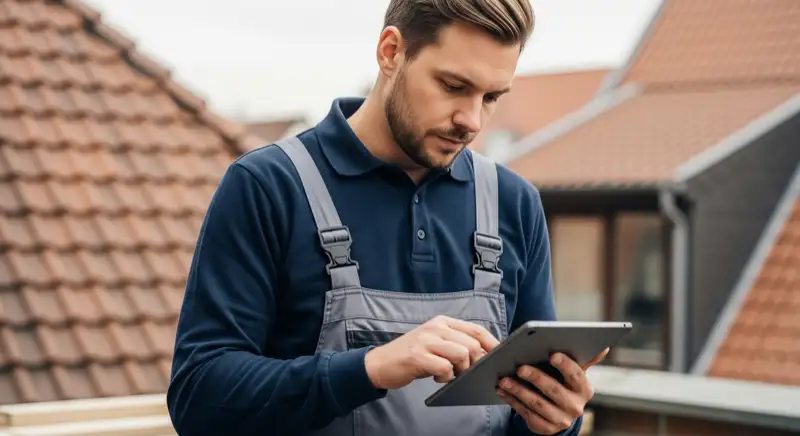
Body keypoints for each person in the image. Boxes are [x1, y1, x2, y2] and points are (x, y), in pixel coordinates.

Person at [167, 0, 608, 435]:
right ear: (391, 52)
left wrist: (552, 421)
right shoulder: (267, 187)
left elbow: (525, 412)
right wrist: (372, 368)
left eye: (490, 97)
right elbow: (199, 398)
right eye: (453, 86)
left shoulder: (515, 203)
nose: (471, 120)